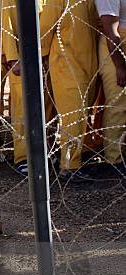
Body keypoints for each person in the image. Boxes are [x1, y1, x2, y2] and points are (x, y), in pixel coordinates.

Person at [42, 0, 98, 182]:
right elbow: (44, 28)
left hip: (88, 62)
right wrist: (41, 56)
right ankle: (69, 166)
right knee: (72, 114)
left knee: (81, 113)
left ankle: (73, 158)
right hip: (66, 62)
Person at [2, 0, 55, 176]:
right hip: (22, 58)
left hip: (42, 57)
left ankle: (43, 151)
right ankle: (23, 157)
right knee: (23, 109)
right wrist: (12, 58)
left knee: (44, 105)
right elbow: (6, 25)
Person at [96, 0, 126, 176]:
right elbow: (110, 29)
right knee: (118, 104)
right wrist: (120, 65)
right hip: (116, 46)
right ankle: (114, 160)